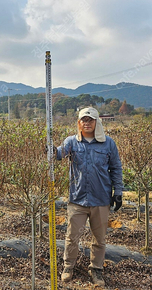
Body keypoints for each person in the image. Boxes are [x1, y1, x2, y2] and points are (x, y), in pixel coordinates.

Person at [54, 107, 123, 287]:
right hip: (77, 199)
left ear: (96, 122)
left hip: (101, 199)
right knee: (71, 237)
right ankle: (68, 266)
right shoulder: (72, 142)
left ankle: (96, 269)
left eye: (90, 120)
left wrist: (119, 193)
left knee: (99, 239)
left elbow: (116, 168)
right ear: (79, 123)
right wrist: (51, 150)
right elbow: (60, 154)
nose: (87, 123)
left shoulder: (108, 144)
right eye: (83, 120)